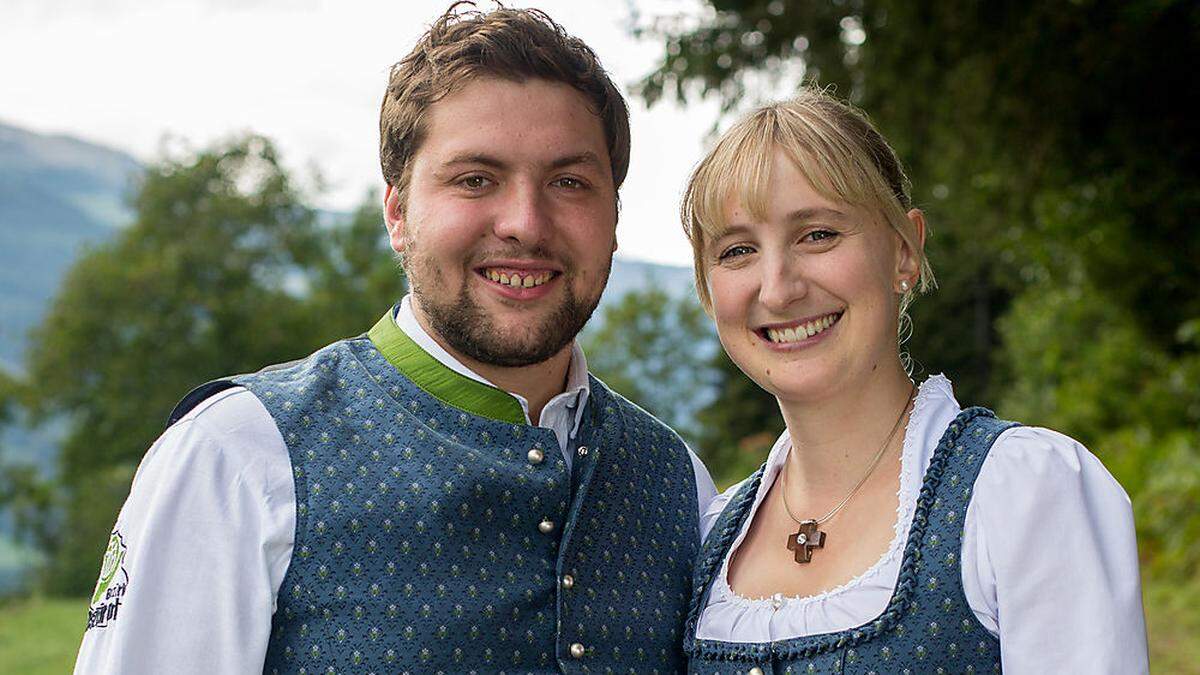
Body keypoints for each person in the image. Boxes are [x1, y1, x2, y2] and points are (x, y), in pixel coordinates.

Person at [73, 6, 717, 673]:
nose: (526, 222)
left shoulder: (679, 483)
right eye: (476, 179)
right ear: (399, 213)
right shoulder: (236, 456)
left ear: (614, 216)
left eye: (569, 182)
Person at [679, 89, 1148, 673]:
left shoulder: (1020, 494)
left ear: (904, 251)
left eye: (817, 234)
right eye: (738, 250)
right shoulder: (708, 534)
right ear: (708, 289)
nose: (777, 288)